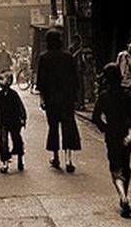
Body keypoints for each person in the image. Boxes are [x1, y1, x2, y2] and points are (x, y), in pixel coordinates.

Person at [92, 62, 131, 219]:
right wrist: (130, 135)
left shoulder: (104, 97)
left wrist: (106, 129)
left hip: (112, 135)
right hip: (126, 134)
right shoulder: (128, 95)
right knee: (126, 166)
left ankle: (123, 197)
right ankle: (125, 194)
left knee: (115, 168)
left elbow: (95, 118)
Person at [35, 27, 81, 172]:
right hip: (67, 98)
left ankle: (55, 157)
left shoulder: (44, 57)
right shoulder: (68, 57)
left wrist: (42, 99)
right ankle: (69, 159)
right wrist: (75, 98)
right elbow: (75, 79)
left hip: (51, 99)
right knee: (68, 127)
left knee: (53, 127)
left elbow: (41, 82)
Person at [0, 70, 27, 173]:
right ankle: (5, 161)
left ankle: (20, 156)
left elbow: (20, 107)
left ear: (8, 81)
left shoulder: (14, 95)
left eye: (2, 79)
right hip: (3, 120)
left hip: (14, 121)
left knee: (16, 138)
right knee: (3, 142)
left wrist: (23, 118)